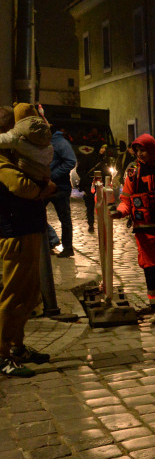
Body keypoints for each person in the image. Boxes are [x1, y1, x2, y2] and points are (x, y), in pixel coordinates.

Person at [0, 105, 56, 376]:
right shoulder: (2, 159)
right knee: (13, 297)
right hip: (15, 232)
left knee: (28, 296)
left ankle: (16, 347)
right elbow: (22, 187)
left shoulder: (18, 155)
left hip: (29, 229)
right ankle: (1, 354)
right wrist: (46, 188)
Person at [112, 134, 155, 318]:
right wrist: (119, 212)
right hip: (143, 228)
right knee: (149, 268)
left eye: (143, 150)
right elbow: (126, 200)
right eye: (138, 150)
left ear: (152, 149)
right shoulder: (133, 174)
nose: (140, 154)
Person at [46, 117, 77, 257]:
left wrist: (53, 175)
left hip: (60, 187)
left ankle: (67, 248)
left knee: (64, 218)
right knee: (36, 213)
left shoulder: (60, 143)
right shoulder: (48, 142)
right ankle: (49, 241)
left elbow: (71, 161)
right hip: (46, 186)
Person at [79, 143, 110, 233]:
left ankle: (102, 224)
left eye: (104, 148)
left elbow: (106, 172)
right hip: (90, 185)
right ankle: (91, 224)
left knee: (102, 206)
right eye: (101, 148)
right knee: (90, 206)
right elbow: (80, 169)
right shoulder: (89, 158)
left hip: (101, 185)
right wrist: (86, 179)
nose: (103, 150)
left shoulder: (104, 159)